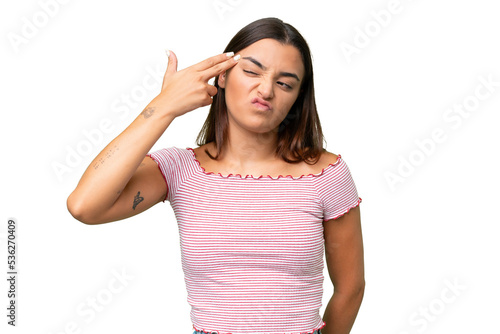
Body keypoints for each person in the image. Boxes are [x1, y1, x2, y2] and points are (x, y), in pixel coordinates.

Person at [67, 17, 364, 334]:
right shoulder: (180, 169)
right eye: (251, 71)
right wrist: (163, 106)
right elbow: (85, 205)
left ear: (296, 98)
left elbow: (350, 288)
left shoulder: (326, 174)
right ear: (221, 76)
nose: (265, 89)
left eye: (285, 83)